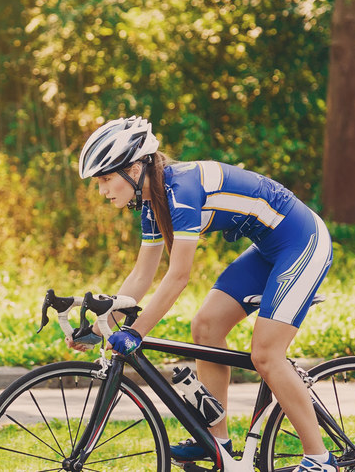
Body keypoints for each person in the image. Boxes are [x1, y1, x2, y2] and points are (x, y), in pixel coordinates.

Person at [75, 116, 337, 472]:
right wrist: (102, 325)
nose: (103, 190)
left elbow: (179, 275)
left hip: (302, 241)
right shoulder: (154, 204)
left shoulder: (180, 192)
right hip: (269, 248)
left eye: (106, 178)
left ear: (135, 169)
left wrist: (137, 332)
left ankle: (320, 460)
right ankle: (218, 442)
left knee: (266, 354)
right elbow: (141, 275)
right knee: (206, 327)